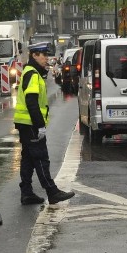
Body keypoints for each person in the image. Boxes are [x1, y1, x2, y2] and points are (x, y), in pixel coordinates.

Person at [13, 42, 75, 205]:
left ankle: (26, 193)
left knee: (28, 158)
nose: (46, 58)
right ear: (34, 55)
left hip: (25, 123)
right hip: (31, 124)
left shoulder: (31, 72)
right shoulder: (32, 74)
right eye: (43, 55)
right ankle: (52, 191)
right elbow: (32, 102)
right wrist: (39, 125)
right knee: (40, 157)